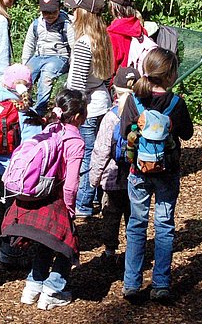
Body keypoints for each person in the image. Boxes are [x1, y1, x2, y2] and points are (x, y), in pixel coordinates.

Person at [119, 48, 194, 302]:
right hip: (168, 172)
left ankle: (131, 283)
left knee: (136, 225)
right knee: (164, 226)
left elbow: (123, 133)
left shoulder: (133, 100)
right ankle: (161, 284)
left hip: (138, 172)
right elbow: (187, 134)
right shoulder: (176, 103)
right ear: (171, 75)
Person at [1, 89, 86, 310]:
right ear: (77, 117)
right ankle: (53, 289)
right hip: (57, 196)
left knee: (46, 240)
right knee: (68, 243)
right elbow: (71, 183)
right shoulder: (75, 140)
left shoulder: (51, 128)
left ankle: (33, 286)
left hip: (40, 192)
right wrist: (70, 208)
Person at [0, 64, 42, 269]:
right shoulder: (24, 112)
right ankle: (9, 256)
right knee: (11, 212)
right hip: (9, 174)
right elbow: (33, 147)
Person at [63, 0, 114, 218]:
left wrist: (70, 110)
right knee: (100, 152)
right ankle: (93, 196)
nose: (72, 13)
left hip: (88, 107)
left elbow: (77, 84)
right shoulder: (102, 37)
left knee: (86, 155)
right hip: (102, 100)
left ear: (83, 13)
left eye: (75, 9)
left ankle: (83, 202)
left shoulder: (85, 43)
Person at [89, 66, 140, 264]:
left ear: (115, 90)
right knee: (133, 216)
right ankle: (133, 254)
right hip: (136, 176)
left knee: (111, 216)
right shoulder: (142, 113)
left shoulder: (111, 116)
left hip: (113, 178)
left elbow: (102, 150)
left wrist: (94, 178)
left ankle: (109, 253)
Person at [21, 0, 75, 115]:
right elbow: (29, 45)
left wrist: (72, 65)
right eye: (46, 13)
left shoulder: (66, 24)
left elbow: (73, 46)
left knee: (47, 75)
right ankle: (23, 104)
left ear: (59, 9)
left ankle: (39, 110)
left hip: (58, 56)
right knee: (25, 76)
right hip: (39, 55)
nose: (49, 16)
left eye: (53, 12)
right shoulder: (36, 24)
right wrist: (24, 64)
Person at [106, 0, 144, 70]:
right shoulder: (140, 28)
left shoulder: (111, 34)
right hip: (140, 79)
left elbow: (110, 68)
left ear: (112, 7)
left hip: (120, 81)